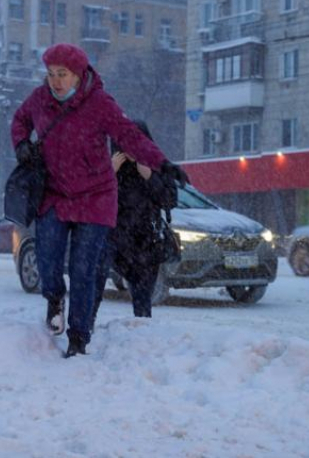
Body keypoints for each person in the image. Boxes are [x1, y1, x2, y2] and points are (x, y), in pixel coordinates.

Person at [10, 43, 188, 358]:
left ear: (78, 75)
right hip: (54, 194)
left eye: (62, 74)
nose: (56, 81)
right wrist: (22, 144)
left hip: (95, 197)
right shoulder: (40, 100)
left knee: (84, 270)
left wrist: (163, 164)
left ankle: (79, 338)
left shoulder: (100, 103)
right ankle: (54, 299)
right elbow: (19, 121)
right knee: (47, 258)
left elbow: (132, 136)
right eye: (51, 74)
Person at [93, 121, 177, 322]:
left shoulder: (157, 165)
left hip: (145, 239)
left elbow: (169, 200)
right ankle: (86, 325)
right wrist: (109, 173)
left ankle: (142, 330)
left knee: (142, 293)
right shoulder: (107, 165)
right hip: (112, 235)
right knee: (94, 283)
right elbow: (91, 200)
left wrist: (149, 175)